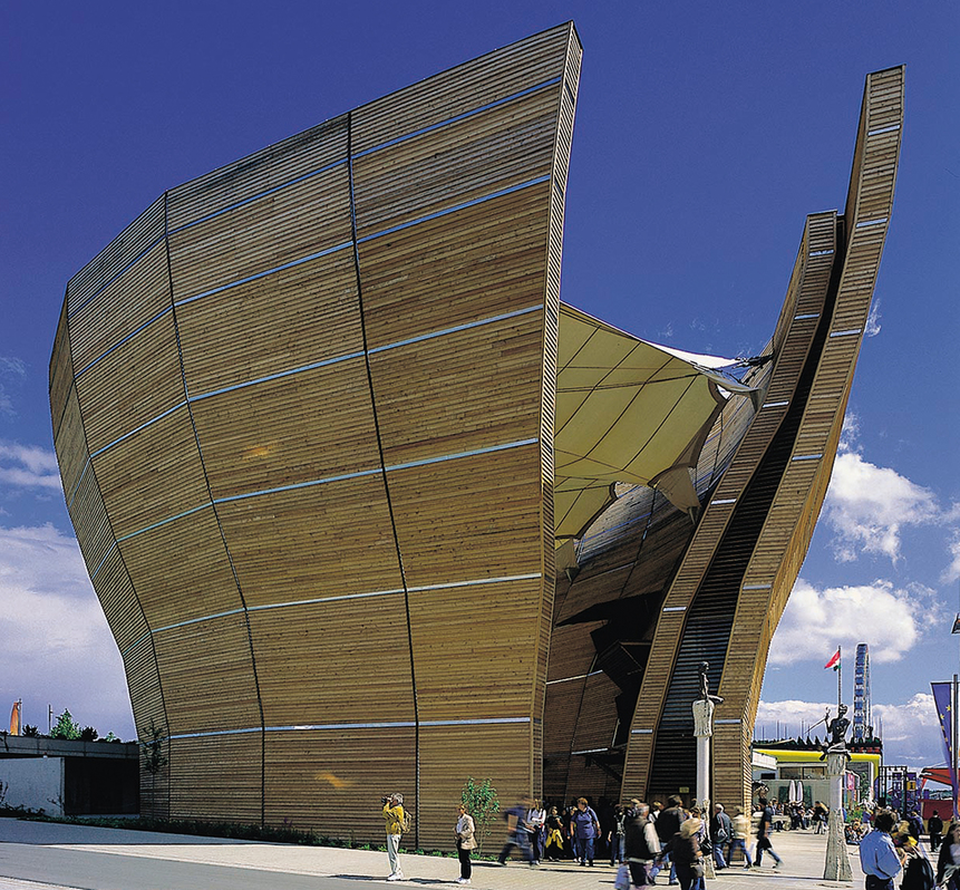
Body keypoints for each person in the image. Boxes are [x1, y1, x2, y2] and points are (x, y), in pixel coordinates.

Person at [859, 810, 902, 890]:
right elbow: (891, 868)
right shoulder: (884, 842)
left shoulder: (868, 838)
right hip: (882, 883)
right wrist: (902, 860)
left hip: (870, 880)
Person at [623, 800, 660, 888]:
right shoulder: (646, 824)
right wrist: (656, 853)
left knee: (637, 882)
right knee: (643, 884)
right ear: (646, 812)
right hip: (644, 858)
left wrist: (626, 854)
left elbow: (627, 839)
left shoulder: (630, 823)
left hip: (632, 857)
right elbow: (651, 840)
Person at [666, 816, 704, 890]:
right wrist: (698, 855)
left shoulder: (676, 836)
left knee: (684, 886)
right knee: (695, 885)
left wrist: (660, 857)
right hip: (690, 867)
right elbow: (692, 854)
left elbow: (667, 848)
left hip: (679, 865)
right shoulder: (692, 839)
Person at [498, 796, 537, 866]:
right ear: (525, 801)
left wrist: (528, 826)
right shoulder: (518, 809)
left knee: (510, 845)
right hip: (517, 831)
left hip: (519, 830)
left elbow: (521, 820)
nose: (531, 803)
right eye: (530, 801)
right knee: (525, 846)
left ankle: (501, 859)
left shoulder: (523, 810)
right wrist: (511, 827)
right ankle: (532, 861)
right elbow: (512, 816)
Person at [654, 795, 685, 884]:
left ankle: (652, 875)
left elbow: (657, 825)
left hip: (663, 839)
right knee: (676, 861)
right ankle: (672, 878)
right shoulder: (678, 812)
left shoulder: (663, 812)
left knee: (661, 859)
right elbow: (681, 826)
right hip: (675, 840)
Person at [382, 793, 407, 882]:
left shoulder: (398, 809)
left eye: (393, 799)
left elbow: (386, 813)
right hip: (392, 833)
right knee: (393, 853)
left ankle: (396, 873)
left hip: (394, 833)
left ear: (397, 801)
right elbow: (385, 815)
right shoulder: (395, 808)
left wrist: (387, 804)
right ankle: (397, 872)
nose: (391, 801)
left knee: (392, 854)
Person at [754, 797, 783, 868]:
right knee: (760, 847)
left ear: (761, 804)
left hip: (764, 831)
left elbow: (767, 822)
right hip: (764, 831)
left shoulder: (767, 811)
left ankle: (778, 860)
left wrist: (765, 832)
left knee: (767, 848)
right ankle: (757, 862)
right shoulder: (767, 810)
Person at [573, 796, 601, 866]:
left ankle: (590, 860)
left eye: (579, 804)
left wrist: (598, 829)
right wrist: (572, 830)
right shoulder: (577, 813)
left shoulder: (590, 811)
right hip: (580, 832)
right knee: (581, 847)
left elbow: (596, 821)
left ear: (583, 804)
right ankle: (583, 860)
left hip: (589, 833)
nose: (578, 806)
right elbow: (572, 821)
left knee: (589, 847)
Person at [454, 803, 476, 884]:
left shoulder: (468, 818)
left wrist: (462, 835)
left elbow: (471, 829)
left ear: (464, 810)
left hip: (466, 841)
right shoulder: (459, 818)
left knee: (466, 859)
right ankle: (462, 876)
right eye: (458, 809)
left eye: (460, 809)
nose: (459, 811)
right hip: (460, 840)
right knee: (461, 859)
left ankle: (467, 877)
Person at [936, 820, 960, 890]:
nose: (959, 833)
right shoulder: (946, 844)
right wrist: (939, 879)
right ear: (951, 832)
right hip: (950, 874)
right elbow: (941, 861)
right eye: (957, 831)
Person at [710, 803, 732, 869]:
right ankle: (721, 862)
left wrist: (712, 834)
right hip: (725, 836)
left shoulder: (717, 816)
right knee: (720, 850)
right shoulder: (727, 816)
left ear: (717, 809)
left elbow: (715, 826)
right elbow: (730, 826)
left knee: (717, 850)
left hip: (718, 836)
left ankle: (721, 864)